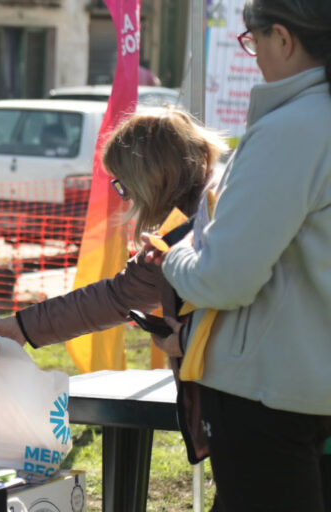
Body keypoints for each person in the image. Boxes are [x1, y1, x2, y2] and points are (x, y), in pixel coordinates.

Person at [154, 1, 331, 510]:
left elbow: (225, 279)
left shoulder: (292, 129)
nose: (253, 56)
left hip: (267, 396)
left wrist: (176, 253)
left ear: (283, 37)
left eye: (252, 41)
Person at [0, 109, 226, 358]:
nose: (126, 196)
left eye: (123, 184)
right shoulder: (203, 205)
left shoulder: (206, 219)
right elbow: (118, 295)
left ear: (150, 178)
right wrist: (22, 327)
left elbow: (119, 296)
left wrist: (187, 341)